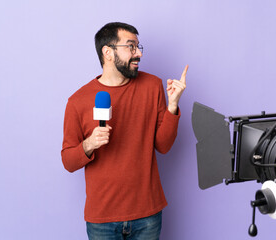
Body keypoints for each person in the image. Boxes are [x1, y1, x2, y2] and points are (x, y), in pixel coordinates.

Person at [61, 22, 188, 240]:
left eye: (139, 47)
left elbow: (163, 146)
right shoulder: (77, 101)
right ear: (108, 52)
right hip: (102, 217)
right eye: (131, 46)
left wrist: (173, 105)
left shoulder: (152, 86)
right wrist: (89, 144)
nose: (138, 53)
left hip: (147, 213)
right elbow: (68, 162)